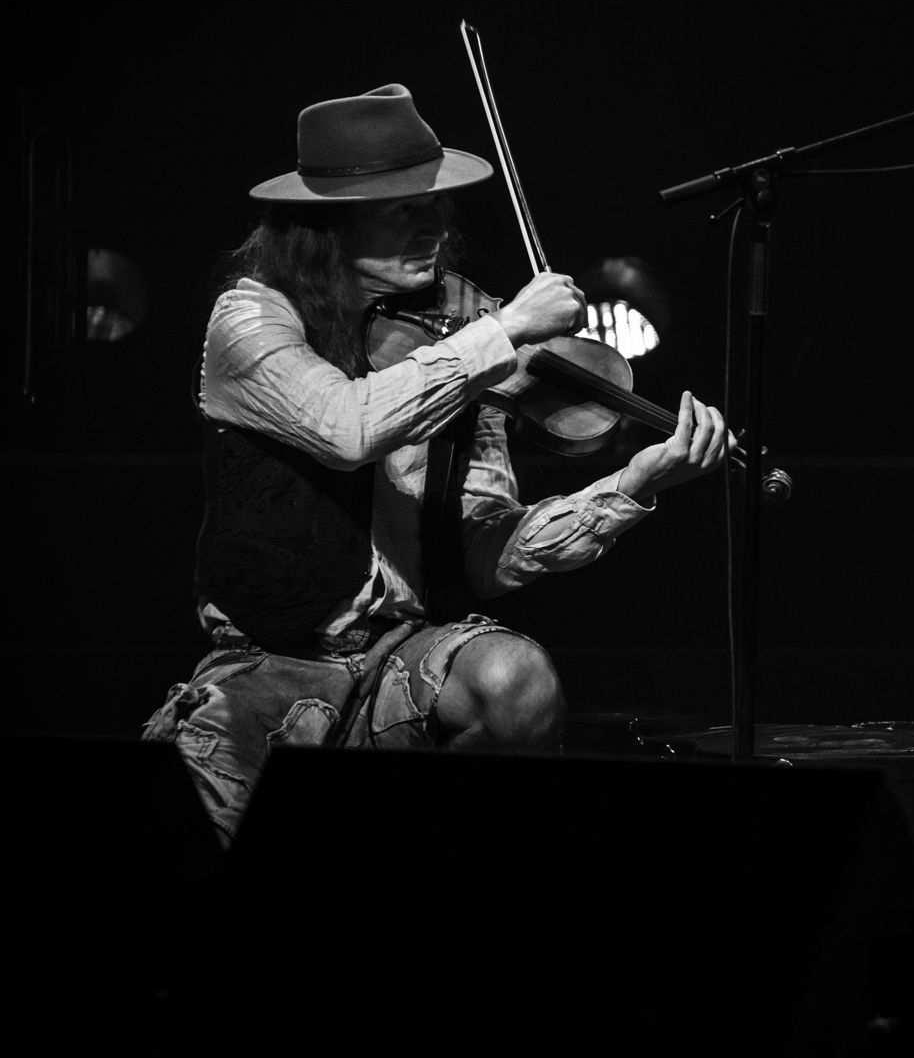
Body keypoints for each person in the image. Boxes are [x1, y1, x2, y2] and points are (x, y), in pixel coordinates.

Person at [142, 83, 729, 843]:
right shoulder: (252, 318)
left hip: (398, 658)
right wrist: (506, 329)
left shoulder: (460, 346)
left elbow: (483, 552)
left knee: (517, 682)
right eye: (403, 209)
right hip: (269, 662)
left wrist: (632, 484)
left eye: (435, 206)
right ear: (330, 223)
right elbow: (346, 426)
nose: (433, 227)